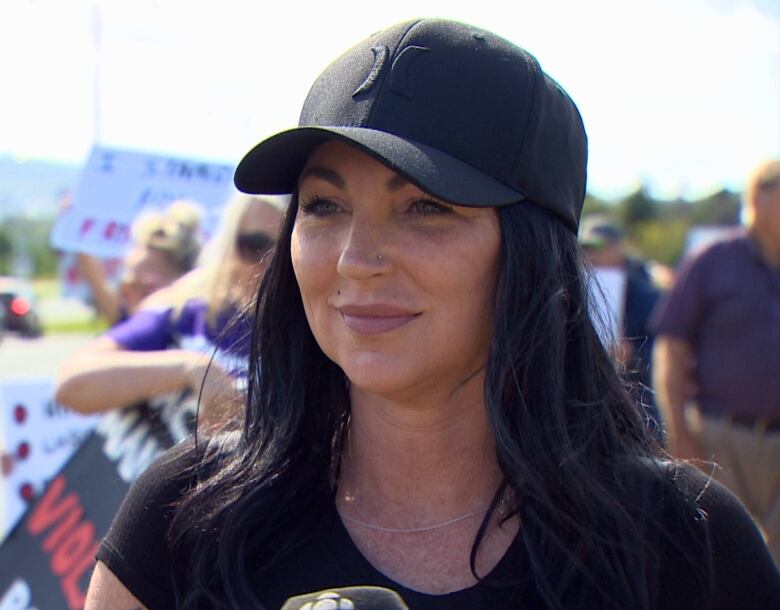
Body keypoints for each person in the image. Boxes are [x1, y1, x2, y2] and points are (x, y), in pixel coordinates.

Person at [85, 19, 779, 610]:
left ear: (534, 252)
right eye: (324, 206)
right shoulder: (184, 517)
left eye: (426, 207)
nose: (358, 258)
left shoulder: (688, 543)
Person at [55, 193, 283, 428]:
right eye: (256, 245)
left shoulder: (314, 338)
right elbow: (72, 383)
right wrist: (191, 368)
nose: (272, 263)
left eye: (286, 246)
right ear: (228, 244)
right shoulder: (186, 313)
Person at [652, 158, 780, 565]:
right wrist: (679, 433)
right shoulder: (713, 261)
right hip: (718, 439)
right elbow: (670, 348)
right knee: (724, 564)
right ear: (759, 197)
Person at [579, 215, 664, 440]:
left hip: (638, 414)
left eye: (597, 246)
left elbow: (666, 353)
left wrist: (632, 353)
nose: (590, 254)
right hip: (585, 413)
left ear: (619, 249)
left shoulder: (648, 296)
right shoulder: (571, 290)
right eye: (584, 247)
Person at [75, 199, 203, 325]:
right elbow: (98, 285)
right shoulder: (128, 327)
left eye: (146, 287)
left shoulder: (197, 332)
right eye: (126, 284)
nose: (127, 293)